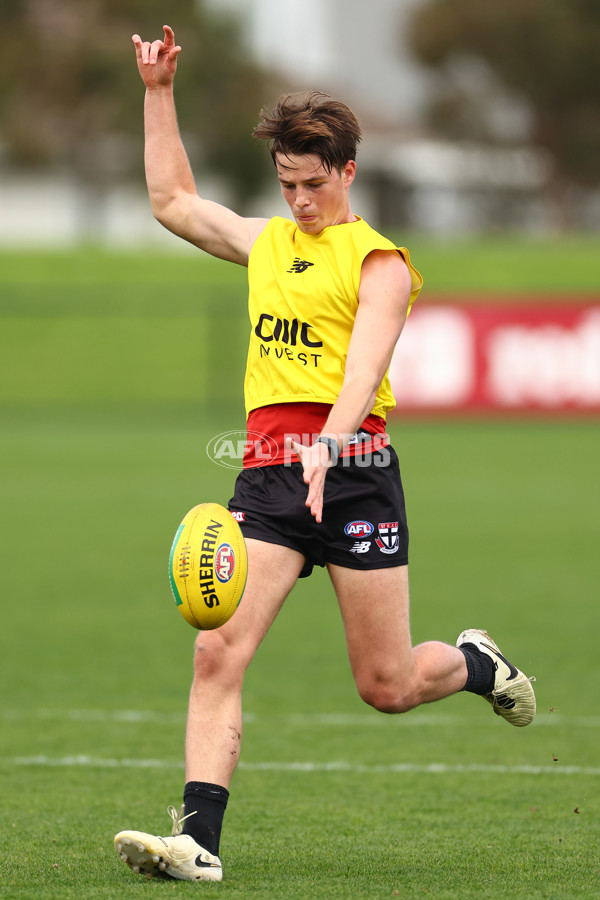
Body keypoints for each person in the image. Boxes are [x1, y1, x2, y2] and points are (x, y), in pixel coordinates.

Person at [114, 24, 536, 884]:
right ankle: (198, 842)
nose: (299, 200)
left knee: (385, 684)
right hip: (270, 478)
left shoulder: (380, 264)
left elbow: (363, 371)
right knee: (216, 650)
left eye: (313, 184)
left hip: (355, 477)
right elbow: (173, 202)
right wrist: (158, 94)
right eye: (287, 185)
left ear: (346, 171)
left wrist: (328, 448)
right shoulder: (267, 244)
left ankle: (476, 664)